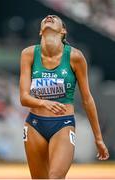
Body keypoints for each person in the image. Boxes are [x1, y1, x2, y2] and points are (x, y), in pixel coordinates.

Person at [20, 15, 109, 179]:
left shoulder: (75, 57)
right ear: (40, 31)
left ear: (63, 30)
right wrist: (44, 103)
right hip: (34, 124)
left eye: (55, 17)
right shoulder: (28, 54)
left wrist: (98, 138)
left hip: (63, 124)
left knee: (55, 177)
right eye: (46, 18)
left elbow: (87, 99)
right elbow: (23, 98)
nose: (50, 16)